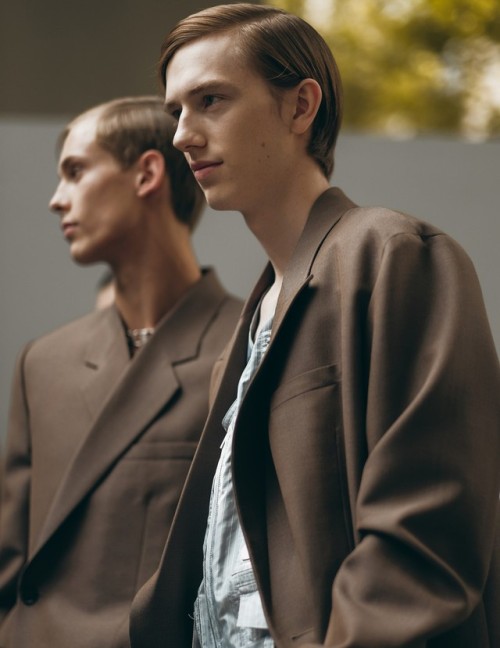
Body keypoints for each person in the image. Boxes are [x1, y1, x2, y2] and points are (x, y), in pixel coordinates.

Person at [128, 5, 500, 648]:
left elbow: (425, 534)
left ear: (301, 107)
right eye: (175, 113)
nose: (183, 134)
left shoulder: (395, 253)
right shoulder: (251, 324)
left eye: (210, 100)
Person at [0, 95, 242, 648]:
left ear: (147, 174)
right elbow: (13, 562)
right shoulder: (43, 362)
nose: (56, 200)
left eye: (76, 171)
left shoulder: (248, 346)